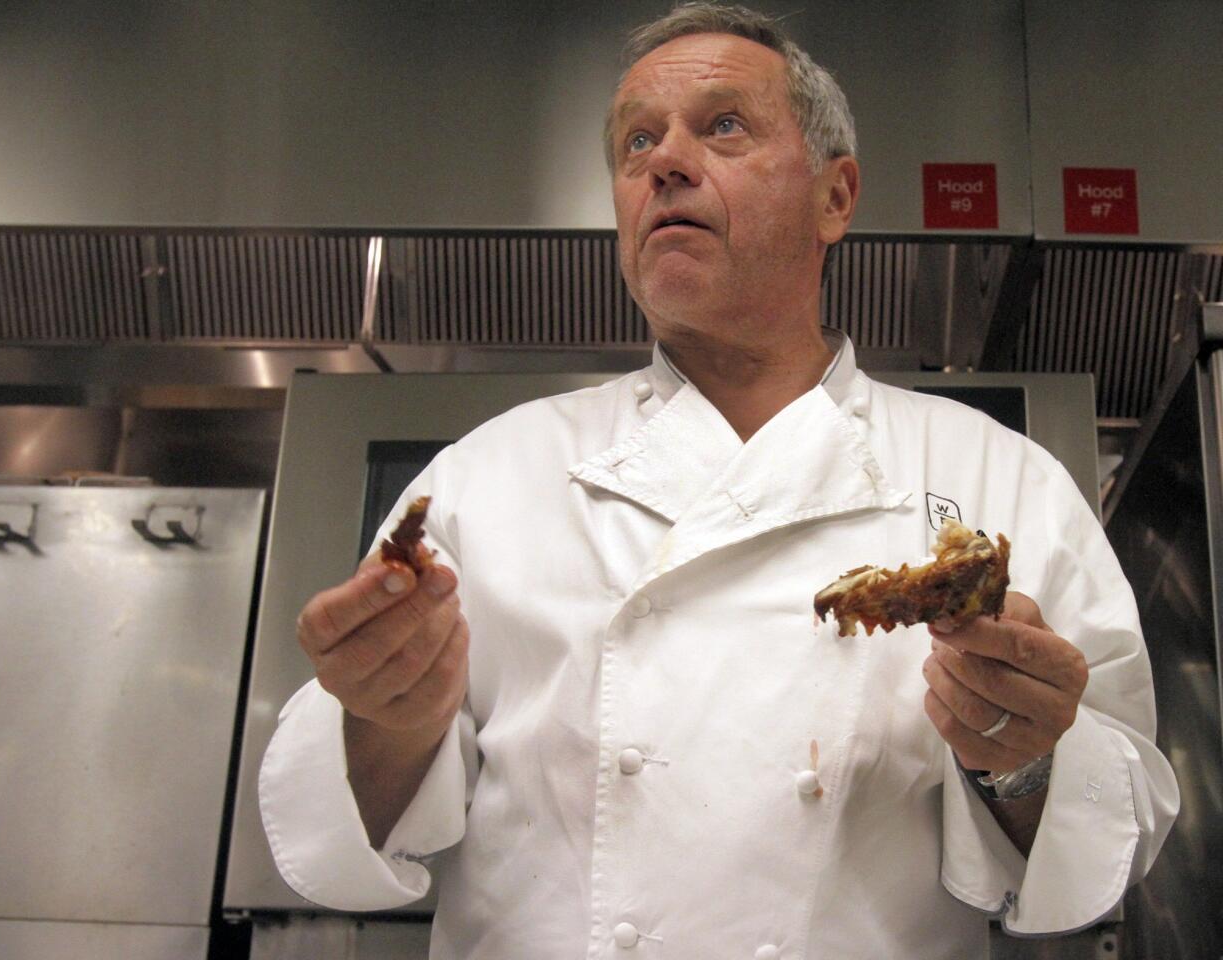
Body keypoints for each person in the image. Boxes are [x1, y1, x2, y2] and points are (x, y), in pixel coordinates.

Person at [259, 4, 1178, 957]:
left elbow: (1114, 838)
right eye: (637, 142)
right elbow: (346, 835)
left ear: (836, 196)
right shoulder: (487, 479)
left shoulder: (996, 478)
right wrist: (384, 720)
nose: (665, 162)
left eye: (724, 125)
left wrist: (1022, 765)